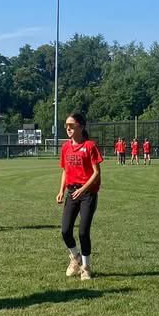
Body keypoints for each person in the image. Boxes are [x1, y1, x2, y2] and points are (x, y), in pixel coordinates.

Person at [56, 113, 103, 280]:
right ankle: (75, 258)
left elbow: (96, 173)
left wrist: (83, 189)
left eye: (71, 125)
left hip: (87, 194)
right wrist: (61, 191)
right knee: (65, 230)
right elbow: (65, 170)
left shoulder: (90, 146)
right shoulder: (65, 147)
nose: (68, 128)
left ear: (81, 127)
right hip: (72, 193)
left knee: (83, 232)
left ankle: (86, 267)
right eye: (66, 126)